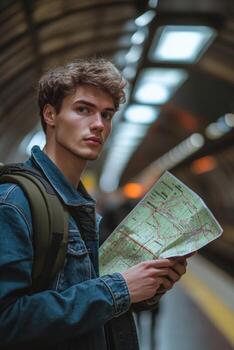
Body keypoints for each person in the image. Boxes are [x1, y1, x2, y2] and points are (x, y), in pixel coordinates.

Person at [0, 58, 188, 350]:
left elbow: (86, 305)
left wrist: (146, 286)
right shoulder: (15, 203)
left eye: (107, 115)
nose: (98, 125)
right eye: (83, 110)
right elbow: (7, 321)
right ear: (50, 115)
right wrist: (119, 287)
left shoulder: (81, 208)